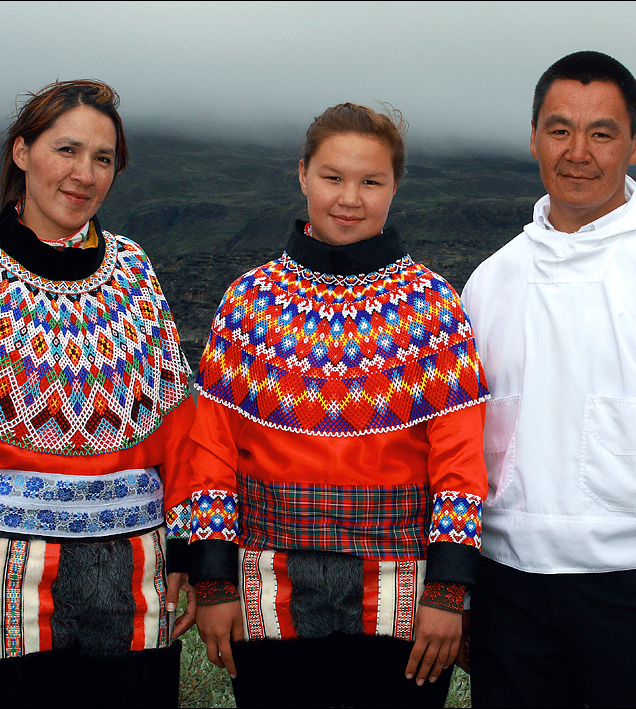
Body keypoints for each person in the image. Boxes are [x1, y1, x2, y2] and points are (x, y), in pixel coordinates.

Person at [0, 79, 196, 708]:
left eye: (103, 158)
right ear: (22, 152)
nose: (84, 174)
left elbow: (179, 426)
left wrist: (189, 552)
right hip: (5, 583)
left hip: (137, 583)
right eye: (66, 150)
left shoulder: (136, 273)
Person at [461, 51, 636, 707]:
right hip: (507, 589)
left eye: (602, 132)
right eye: (559, 130)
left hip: (632, 593)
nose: (578, 152)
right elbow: (463, 446)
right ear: (533, 137)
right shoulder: (490, 281)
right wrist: (465, 590)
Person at [187, 102, 489, 708]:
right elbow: (211, 450)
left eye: (371, 181)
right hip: (268, 589)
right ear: (302, 175)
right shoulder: (247, 302)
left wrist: (448, 594)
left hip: (402, 594)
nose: (350, 197)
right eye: (333, 177)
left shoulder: (433, 308)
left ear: (394, 187)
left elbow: (460, 458)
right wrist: (214, 582)